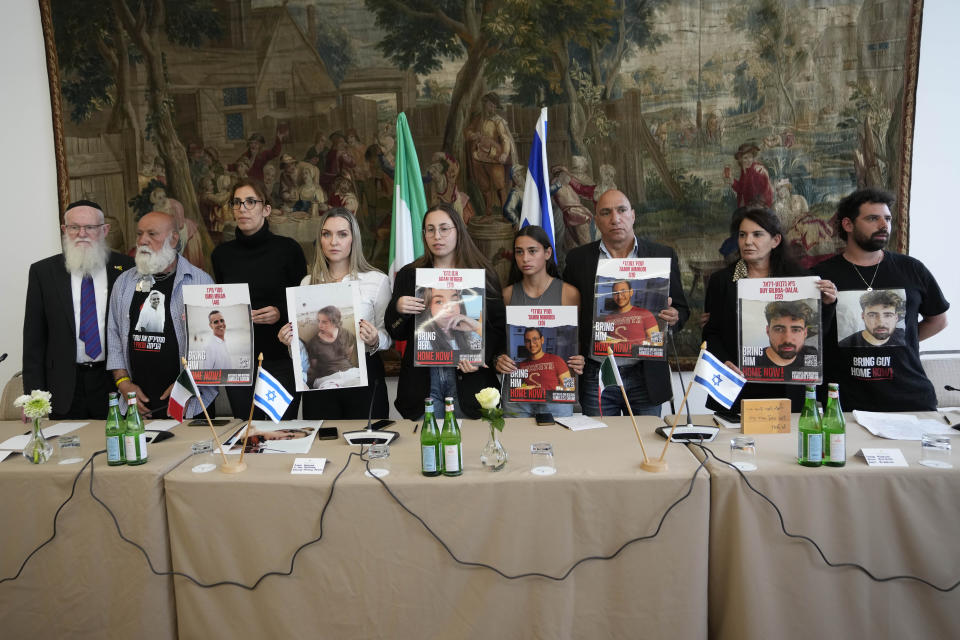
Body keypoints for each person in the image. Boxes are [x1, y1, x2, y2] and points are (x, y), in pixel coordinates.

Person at [813, 188, 949, 411]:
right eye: (872, 218)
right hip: (846, 403)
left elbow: (938, 320)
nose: (883, 225)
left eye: (887, 218)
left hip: (911, 398)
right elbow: (810, 335)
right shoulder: (821, 275)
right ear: (848, 225)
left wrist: (903, 339)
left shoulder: (912, 269)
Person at [563, 190, 688, 417]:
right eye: (606, 212)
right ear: (597, 219)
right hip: (598, 373)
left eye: (621, 210)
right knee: (600, 445)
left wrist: (674, 316)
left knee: (645, 447)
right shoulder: (578, 259)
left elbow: (682, 309)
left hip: (646, 373)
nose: (615, 218)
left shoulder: (661, 255)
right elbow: (569, 316)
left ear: (633, 215)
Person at [702, 206, 836, 411]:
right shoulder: (721, 281)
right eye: (742, 235)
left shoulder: (800, 279)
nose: (748, 242)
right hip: (738, 384)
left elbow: (818, 334)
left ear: (775, 241)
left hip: (787, 385)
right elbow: (711, 332)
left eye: (757, 234)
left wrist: (827, 305)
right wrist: (724, 362)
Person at [386, 203, 505, 419]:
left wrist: (480, 358)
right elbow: (396, 332)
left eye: (444, 228)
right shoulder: (410, 274)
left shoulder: (482, 274)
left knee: (467, 449)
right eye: (430, 229)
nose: (437, 236)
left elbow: (498, 328)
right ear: (424, 234)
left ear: (458, 231)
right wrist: (400, 309)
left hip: (468, 381)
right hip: (423, 383)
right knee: (428, 447)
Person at [22, 200, 135, 419]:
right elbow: (34, 340)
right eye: (74, 227)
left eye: (90, 228)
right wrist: (32, 396)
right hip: (63, 386)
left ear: (104, 230)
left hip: (113, 381)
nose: (81, 233)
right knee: (67, 449)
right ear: (65, 230)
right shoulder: (43, 272)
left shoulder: (126, 268)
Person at [278, 208, 391, 419]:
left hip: (363, 375)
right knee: (324, 444)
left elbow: (388, 336)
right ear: (320, 239)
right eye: (326, 234)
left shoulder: (376, 281)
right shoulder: (307, 282)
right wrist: (291, 342)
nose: (333, 241)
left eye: (342, 234)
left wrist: (375, 338)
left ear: (353, 239)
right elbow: (303, 353)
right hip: (320, 384)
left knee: (365, 443)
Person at [212, 178, 307, 420]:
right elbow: (219, 303)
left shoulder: (288, 249)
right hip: (238, 358)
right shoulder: (221, 255)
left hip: (280, 356)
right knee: (247, 432)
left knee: (281, 430)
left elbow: (303, 299)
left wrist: (279, 312)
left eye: (250, 202)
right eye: (237, 202)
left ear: (266, 209)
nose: (242, 208)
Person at [107, 211, 217, 418]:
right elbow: (113, 335)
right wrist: (123, 383)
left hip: (190, 404)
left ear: (173, 239)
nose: (142, 241)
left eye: (152, 234)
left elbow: (212, 344)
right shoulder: (123, 283)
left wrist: (187, 387)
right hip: (135, 404)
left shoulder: (199, 281)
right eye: (139, 234)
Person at [495, 225, 584, 417]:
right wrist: (499, 360)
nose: (525, 258)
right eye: (519, 252)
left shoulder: (568, 293)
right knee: (516, 444)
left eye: (532, 251)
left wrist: (579, 360)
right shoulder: (508, 294)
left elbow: (576, 341)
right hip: (516, 397)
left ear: (547, 253)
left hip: (556, 399)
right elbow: (500, 343)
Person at [753, 301, 819, 376]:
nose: (787, 340)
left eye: (796, 330)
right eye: (779, 329)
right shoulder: (753, 361)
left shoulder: (810, 353)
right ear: (768, 331)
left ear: (805, 333)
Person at [304, 306, 358, 387]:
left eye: (324, 322)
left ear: (335, 322)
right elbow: (314, 366)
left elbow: (348, 356)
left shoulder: (346, 334)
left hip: (350, 374)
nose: (320, 325)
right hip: (327, 379)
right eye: (319, 321)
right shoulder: (314, 343)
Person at [838, 290, 906, 347]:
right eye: (872, 315)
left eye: (888, 315)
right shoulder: (845, 345)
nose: (881, 322)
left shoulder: (904, 337)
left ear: (896, 318)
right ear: (863, 316)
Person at [602, 280, 661, 345]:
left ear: (631, 292)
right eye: (616, 293)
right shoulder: (608, 318)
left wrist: (636, 347)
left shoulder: (646, 313)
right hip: (614, 354)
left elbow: (658, 342)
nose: (620, 297)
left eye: (623, 291)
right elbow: (601, 341)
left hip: (637, 354)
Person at [727, 142, 773, 208]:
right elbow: (742, 188)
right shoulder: (745, 169)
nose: (749, 160)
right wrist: (732, 180)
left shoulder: (757, 170)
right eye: (745, 158)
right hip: (749, 206)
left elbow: (755, 194)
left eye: (751, 157)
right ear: (741, 159)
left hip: (758, 208)